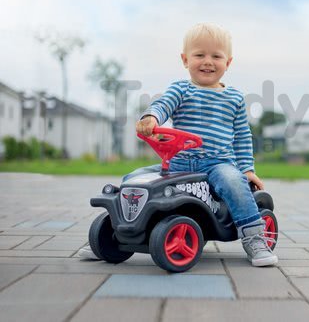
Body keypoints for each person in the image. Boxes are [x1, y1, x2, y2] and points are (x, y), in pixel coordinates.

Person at [79, 23, 277, 266]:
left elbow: (242, 137)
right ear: (185, 59)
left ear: (228, 62)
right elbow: (163, 105)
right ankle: (113, 232)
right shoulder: (180, 89)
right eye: (199, 55)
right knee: (133, 178)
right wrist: (150, 117)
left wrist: (247, 170)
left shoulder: (234, 98)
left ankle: (254, 237)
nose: (208, 61)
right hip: (179, 161)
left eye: (216, 56)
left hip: (217, 163)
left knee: (233, 183)